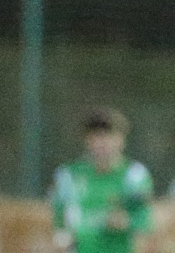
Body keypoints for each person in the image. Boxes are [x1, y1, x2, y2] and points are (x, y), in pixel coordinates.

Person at [50, 107, 154, 253]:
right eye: (95, 137)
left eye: (108, 137)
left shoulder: (133, 176)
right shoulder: (68, 175)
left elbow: (144, 221)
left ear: (121, 140)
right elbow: (59, 218)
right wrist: (61, 238)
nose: (101, 143)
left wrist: (125, 222)